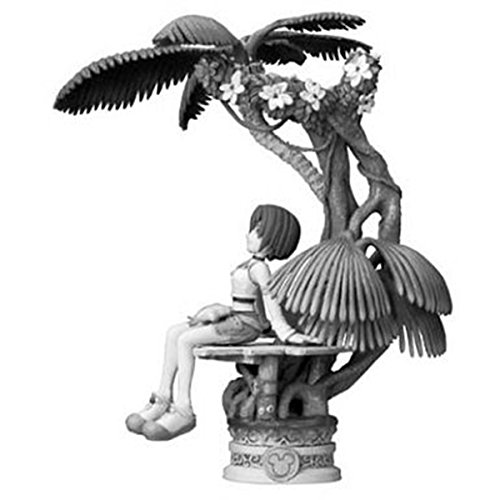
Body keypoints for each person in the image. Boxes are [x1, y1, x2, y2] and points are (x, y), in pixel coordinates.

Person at [125, 204, 319, 441]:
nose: (249, 235)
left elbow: (270, 299)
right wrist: (224, 312)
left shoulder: (260, 269)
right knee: (174, 332)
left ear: (273, 240)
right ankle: (162, 398)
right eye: (252, 229)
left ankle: (184, 410)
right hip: (236, 318)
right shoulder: (249, 265)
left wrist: (283, 329)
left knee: (186, 341)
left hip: (243, 326)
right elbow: (254, 302)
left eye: (258, 232)